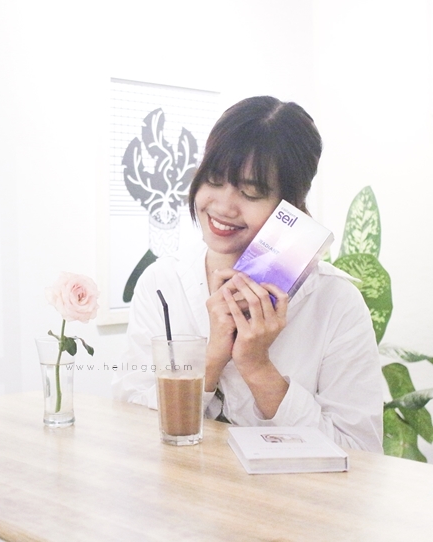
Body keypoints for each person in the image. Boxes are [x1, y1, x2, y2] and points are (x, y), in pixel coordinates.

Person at [112, 96, 383, 452]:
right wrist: (211, 359)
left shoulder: (335, 301)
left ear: (291, 206)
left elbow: (361, 454)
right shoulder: (162, 283)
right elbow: (129, 424)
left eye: (251, 192)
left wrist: (257, 366)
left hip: (289, 490)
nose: (223, 206)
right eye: (213, 179)